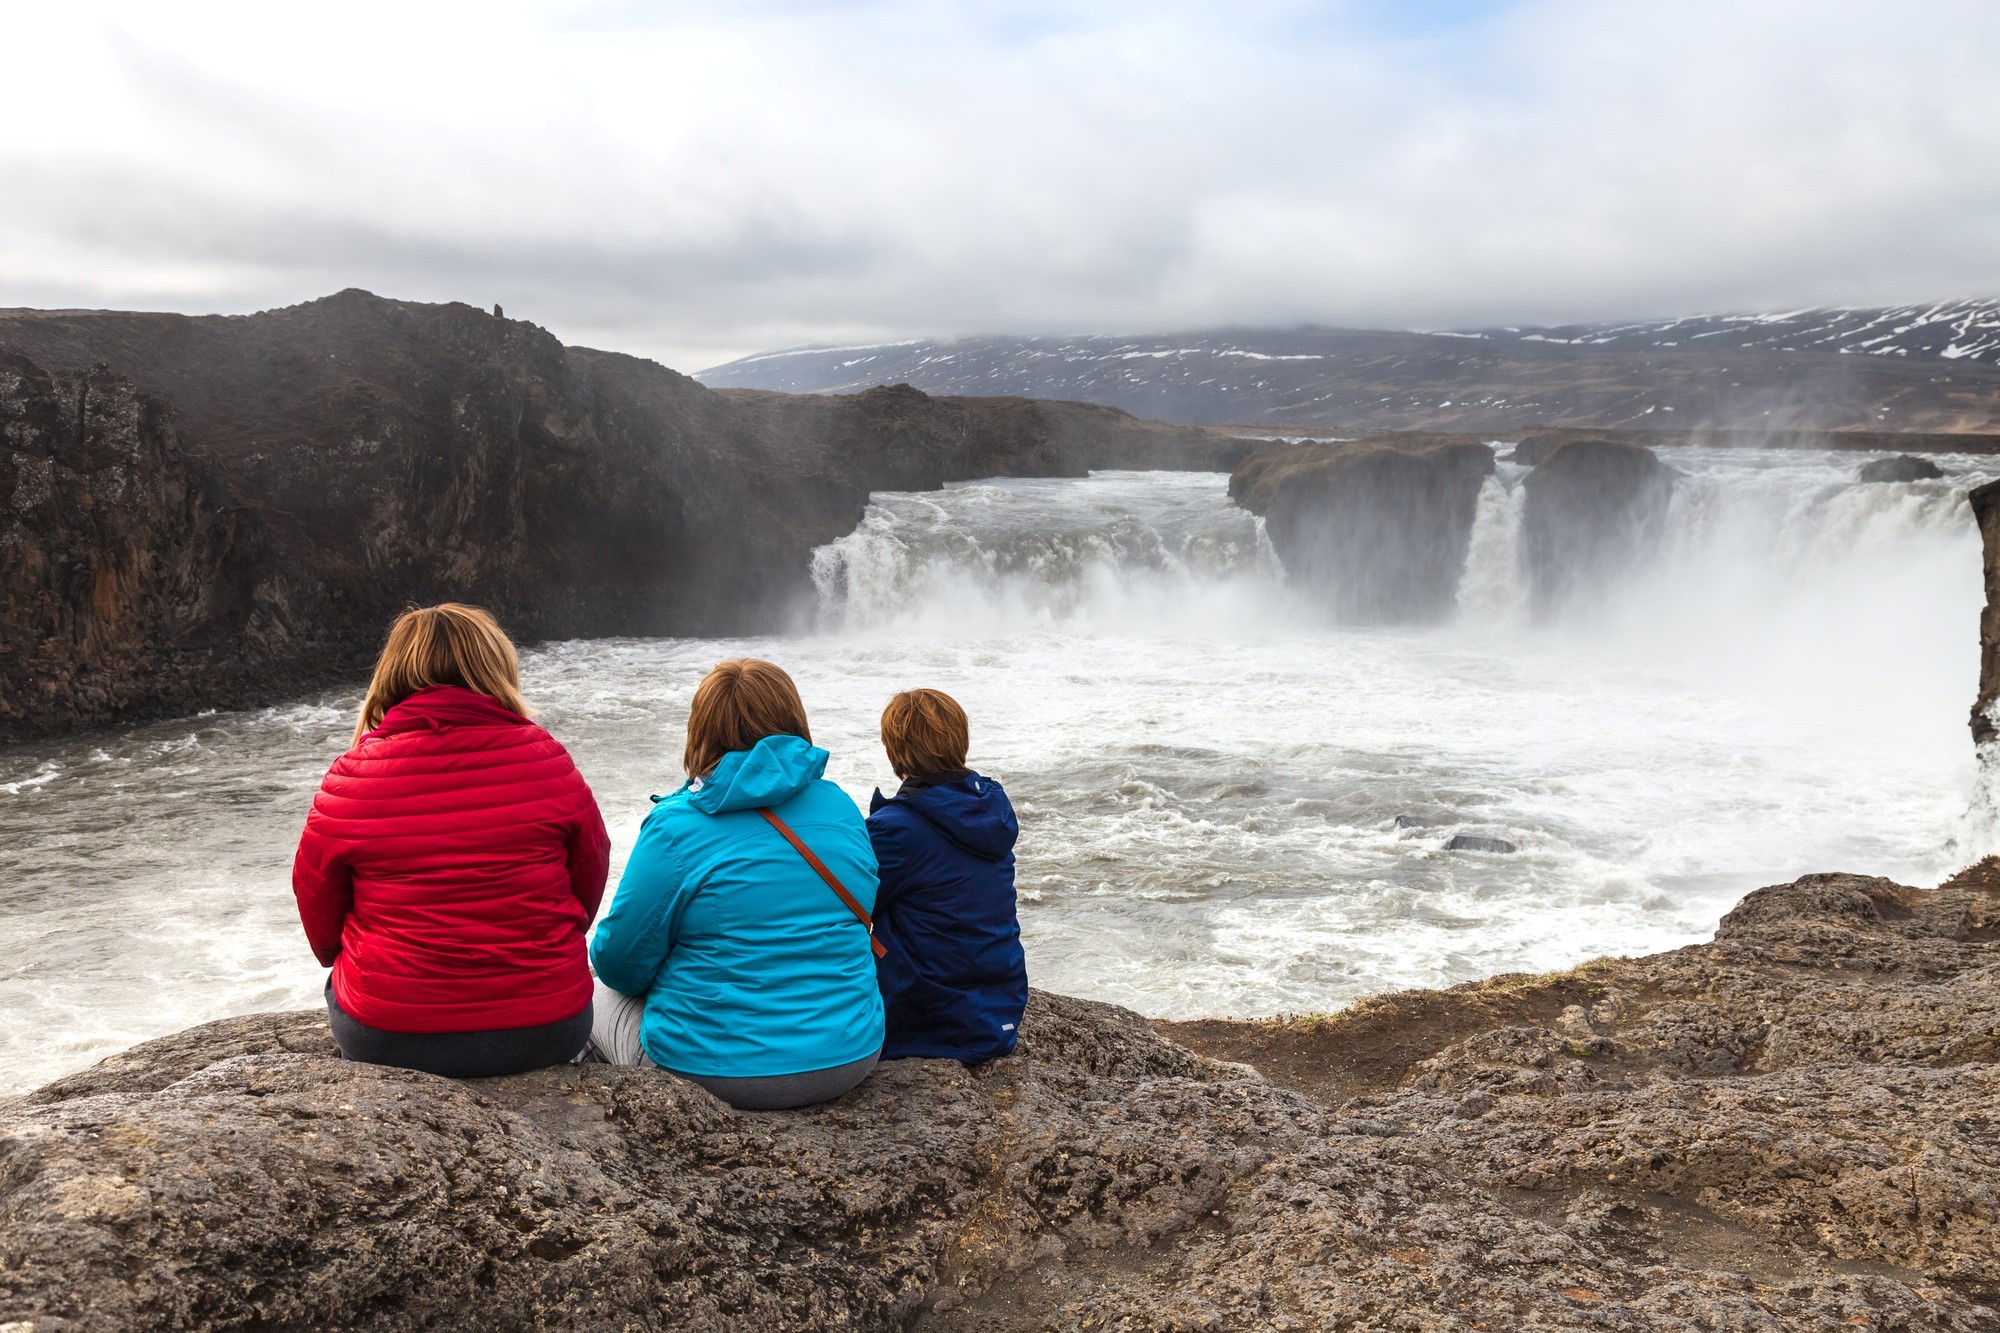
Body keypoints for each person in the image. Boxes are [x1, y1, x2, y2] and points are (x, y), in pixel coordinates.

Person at [291, 603, 610, 1078]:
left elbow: (318, 906)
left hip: (391, 1036)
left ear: (394, 673)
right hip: (546, 1029)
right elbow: (588, 879)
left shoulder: (352, 775)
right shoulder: (548, 760)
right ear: (495, 668)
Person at [588, 659, 884, 1110]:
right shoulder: (840, 806)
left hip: (716, 1076)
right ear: (793, 721)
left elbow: (619, 965)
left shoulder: (676, 827)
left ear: (701, 732)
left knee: (586, 991)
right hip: (852, 1056)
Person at [866, 688, 1027, 1064]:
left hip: (930, 1025)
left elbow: (846, 906)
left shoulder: (896, 830)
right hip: (998, 1013)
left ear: (893, 752)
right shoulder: (991, 807)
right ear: (960, 741)